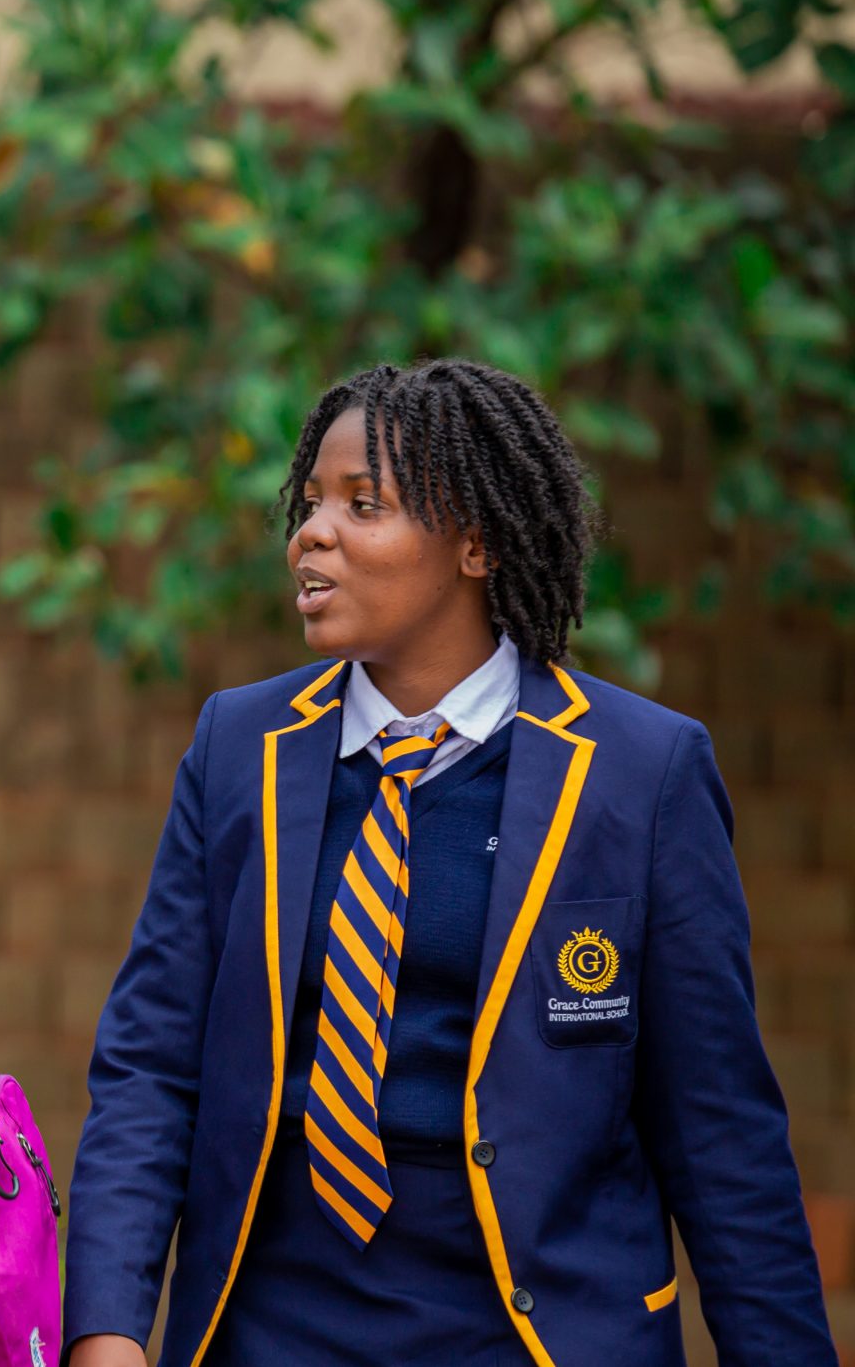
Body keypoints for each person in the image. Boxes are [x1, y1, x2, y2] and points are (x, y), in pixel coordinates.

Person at [62, 359, 835, 1366]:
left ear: (477, 544)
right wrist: (107, 1331)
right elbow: (150, 1068)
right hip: (272, 1327)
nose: (311, 534)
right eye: (310, 505)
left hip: (535, 1332)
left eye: (363, 504)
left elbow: (719, 1131)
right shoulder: (237, 749)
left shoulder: (640, 773)